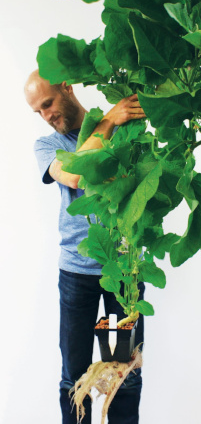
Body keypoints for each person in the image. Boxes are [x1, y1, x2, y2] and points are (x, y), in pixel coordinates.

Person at [24, 70, 146, 424]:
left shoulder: (124, 129)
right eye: (38, 111)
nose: (46, 115)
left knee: (123, 374)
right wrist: (109, 119)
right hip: (76, 277)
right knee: (73, 378)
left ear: (67, 87)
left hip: (121, 280)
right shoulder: (48, 146)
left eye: (47, 103)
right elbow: (75, 174)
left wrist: (116, 121)